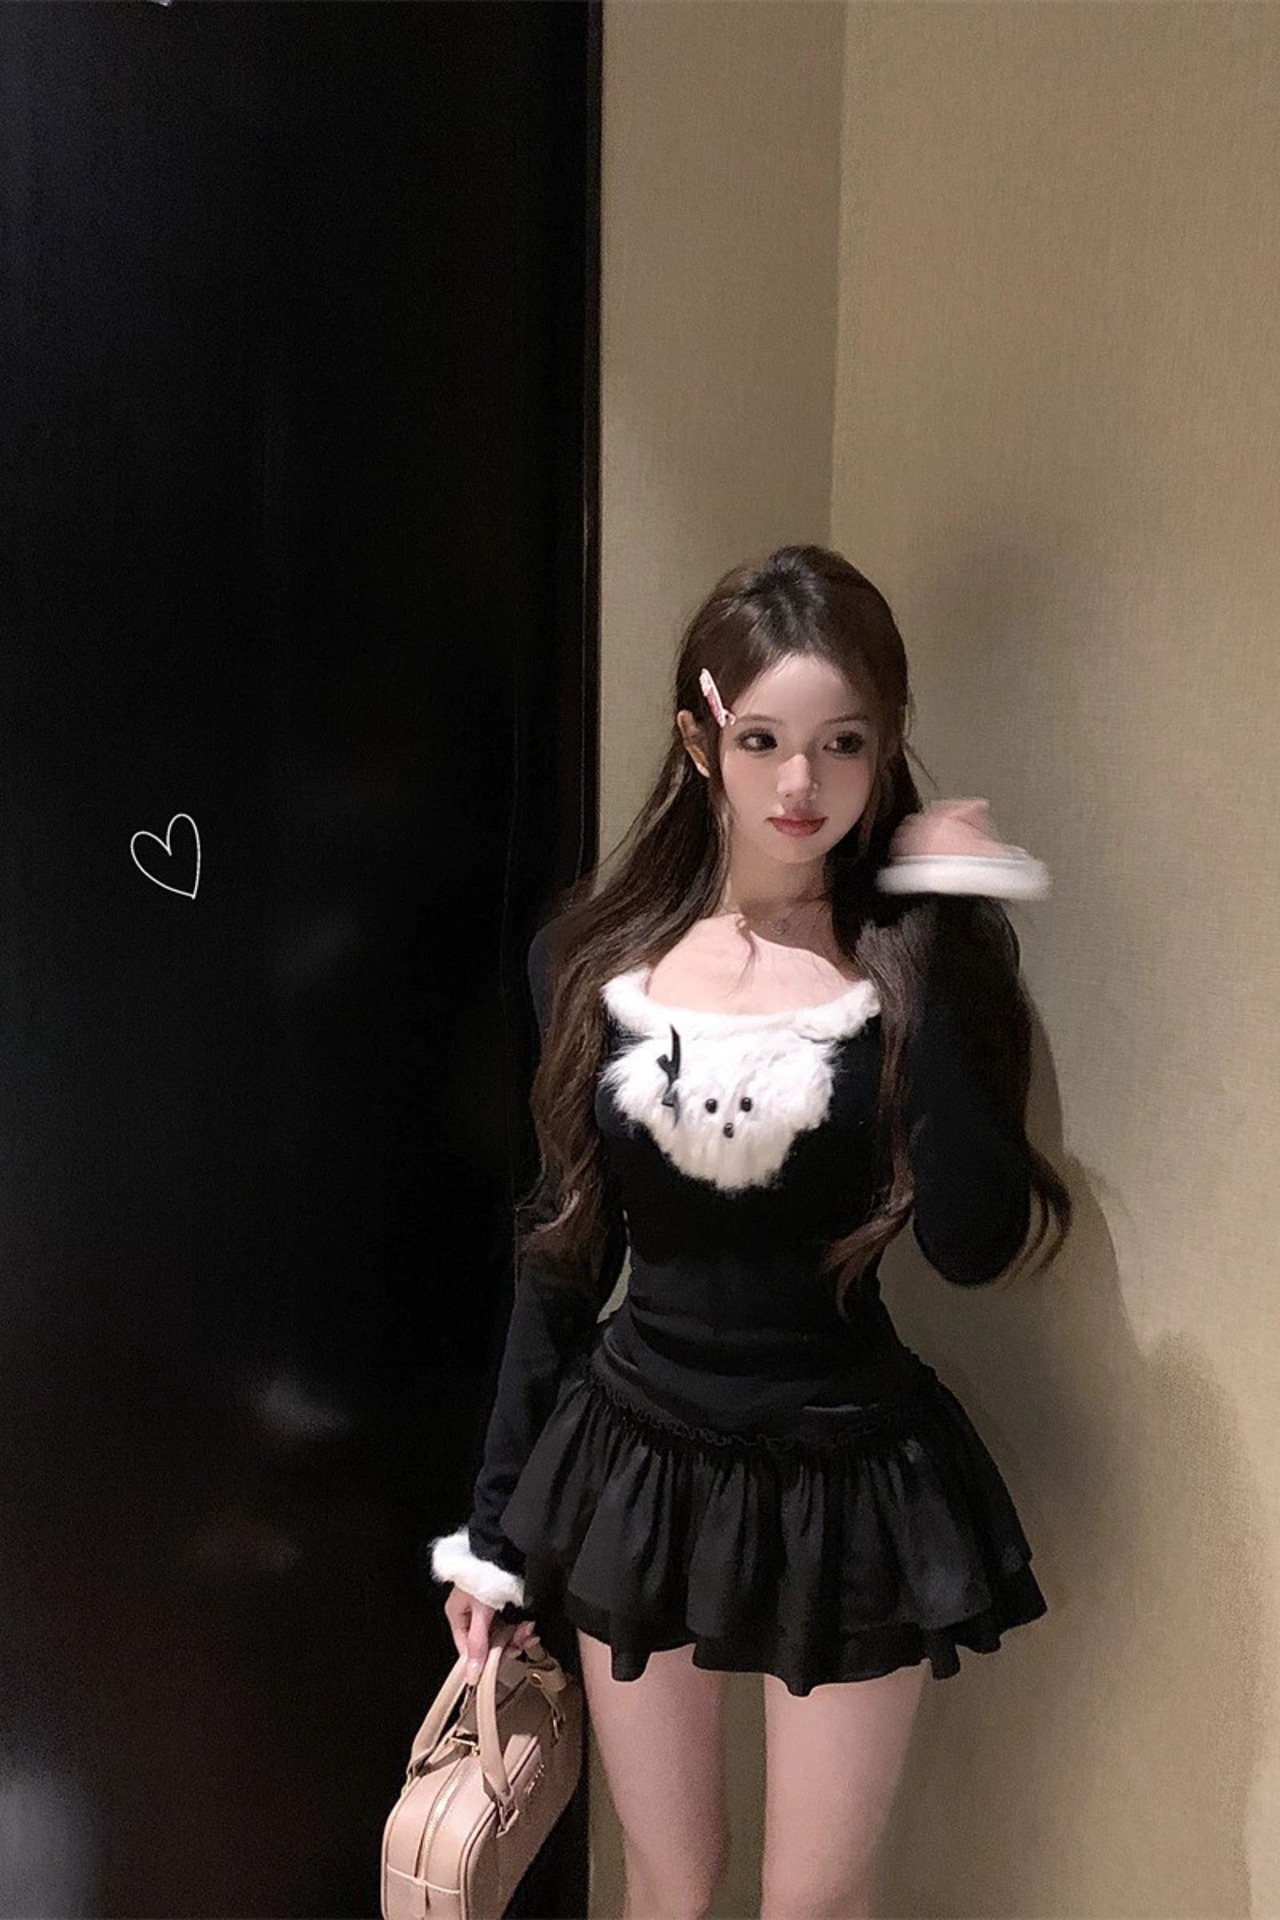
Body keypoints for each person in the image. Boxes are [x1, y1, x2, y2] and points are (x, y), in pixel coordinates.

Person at [430, 544, 1072, 1920]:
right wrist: (492, 1535)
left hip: (848, 1478)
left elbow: (972, 1243)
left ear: (885, 746)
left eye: (843, 743)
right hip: (635, 1463)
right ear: (699, 740)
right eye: (764, 739)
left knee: (811, 1904)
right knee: (669, 1881)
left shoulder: (912, 962)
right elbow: (565, 1253)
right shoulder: (590, 961)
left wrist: (952, 933)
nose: (801, 785)